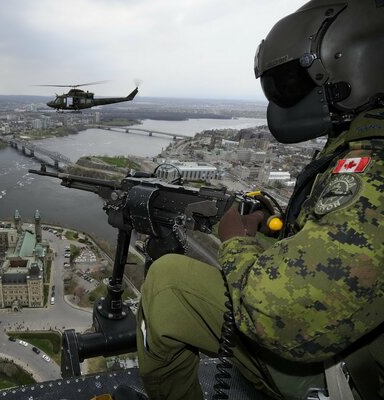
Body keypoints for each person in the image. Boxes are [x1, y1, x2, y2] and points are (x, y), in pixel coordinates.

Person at [136, 0, 383, 398]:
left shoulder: (371, 171)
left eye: (291, 83)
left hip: (348, 377)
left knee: (167, 284)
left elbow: (280, 315)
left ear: (350, 64)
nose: (285, 97)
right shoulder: (359, 149)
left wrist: (235, 242)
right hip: (356, 348)